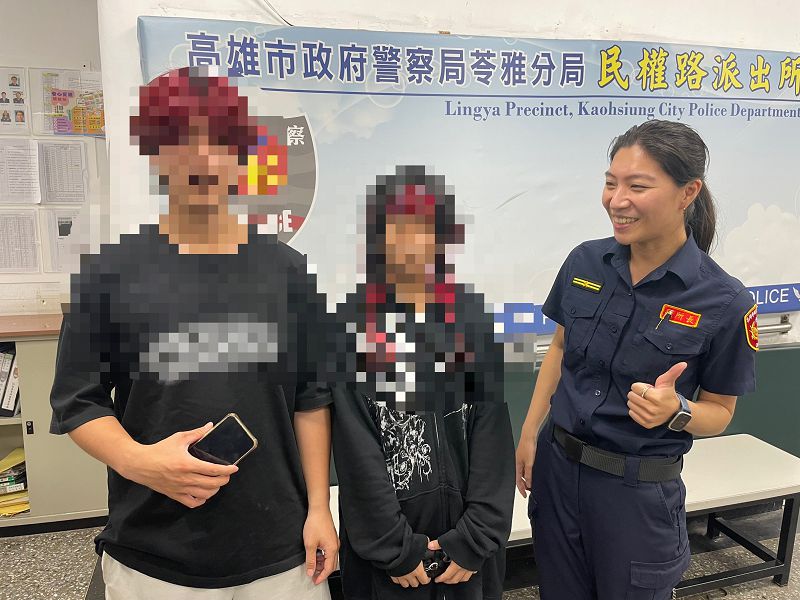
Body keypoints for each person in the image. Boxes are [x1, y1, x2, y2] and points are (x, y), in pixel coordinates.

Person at [50, 67, 338, 599]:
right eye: (182, 140)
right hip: (153, 553)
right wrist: (141, 462)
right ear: (155, 153)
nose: (202, 158)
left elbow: (311, 399)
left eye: (220, 141)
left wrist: (319, 508)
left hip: (280, 551)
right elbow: (77, 400)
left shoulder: (289, 273)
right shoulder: (108, 274)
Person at [515, 120, 757, 600]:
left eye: (637, 186)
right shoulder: (585, 261)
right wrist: (528, 431)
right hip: (558, 473)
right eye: (611, 183)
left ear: (688, 192)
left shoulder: (725, 301)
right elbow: (560, 348)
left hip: (635, 495)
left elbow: (720, 412)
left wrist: (676, 411)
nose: (616, 200)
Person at [332, 165, 515, 600]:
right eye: (396, 228)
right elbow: (357, 457)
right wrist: (396, 549)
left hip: (469, 559)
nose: (412, 243)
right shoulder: (350, 331)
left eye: (425, 228)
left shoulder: (473, 324)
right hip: (388, 563)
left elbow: (493, 444)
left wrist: (474, 540)